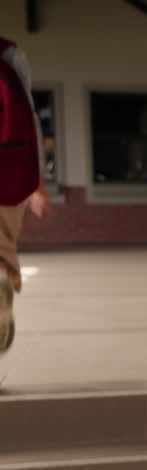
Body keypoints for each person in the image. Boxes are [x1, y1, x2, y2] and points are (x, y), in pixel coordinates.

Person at [0, 36, 52, 358]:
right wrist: (38, 182)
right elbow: (29, 116)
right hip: (10, 169)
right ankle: (2, 276)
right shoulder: (10, 54)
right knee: (2, 247)